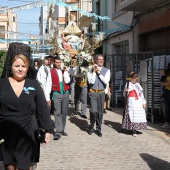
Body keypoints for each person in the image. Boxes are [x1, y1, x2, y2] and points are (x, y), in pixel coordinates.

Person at [0, 53, 53, 170]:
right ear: (10, 67)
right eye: (17, 66)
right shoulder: (2, 84)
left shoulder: (34, 85)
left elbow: (42, 108)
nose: (20, 69)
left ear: (27, 68)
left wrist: (48, 130)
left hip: (28, 131)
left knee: (26, 165)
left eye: (23, 66)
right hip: (6, 131)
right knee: (9, 165)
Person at [47, 56, 70, 140]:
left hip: (65, 93)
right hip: (56, 93)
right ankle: (58, 131)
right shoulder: (51, 71)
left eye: (60, 62)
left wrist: (66, 72)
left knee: (64, 112)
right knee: (57, 112)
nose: (59, 64)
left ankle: (62, 129)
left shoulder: (64, 70)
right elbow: (48, 84)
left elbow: (67, 81)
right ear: (54, 63)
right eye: (57, 62)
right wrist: (47, 97)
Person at [87, 54, 110, 137]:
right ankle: (91, 126)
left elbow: (106, 81)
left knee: (100, 112)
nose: (101, 61)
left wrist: (99, 74)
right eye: (99, 59)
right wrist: (93, 72)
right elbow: (91, 82)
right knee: (93, 111)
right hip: (93, 92)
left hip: (101, 92)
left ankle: (98, 128)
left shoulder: (107, 70)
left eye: (102, 59)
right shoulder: (90, 70)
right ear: (96, 60)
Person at [122, 72, 147, 137]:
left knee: (139, 113)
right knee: (133, 114)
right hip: (131, 101)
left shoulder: (138, 85)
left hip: (138, 101)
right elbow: (124, 95)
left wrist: (144, 102)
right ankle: (133, 129)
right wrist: (126, 91)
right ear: (132, 79)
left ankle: (136, 128)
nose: (135, 81)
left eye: (136, 80)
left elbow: (141, 94)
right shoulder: (128, 84)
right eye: (134, 79)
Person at [161, 62, 170, 128]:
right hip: (167, 92)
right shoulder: (167, 74)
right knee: (167, 107)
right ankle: (167, 122)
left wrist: (165, 83)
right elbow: (162, 82)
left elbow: (167, 83)